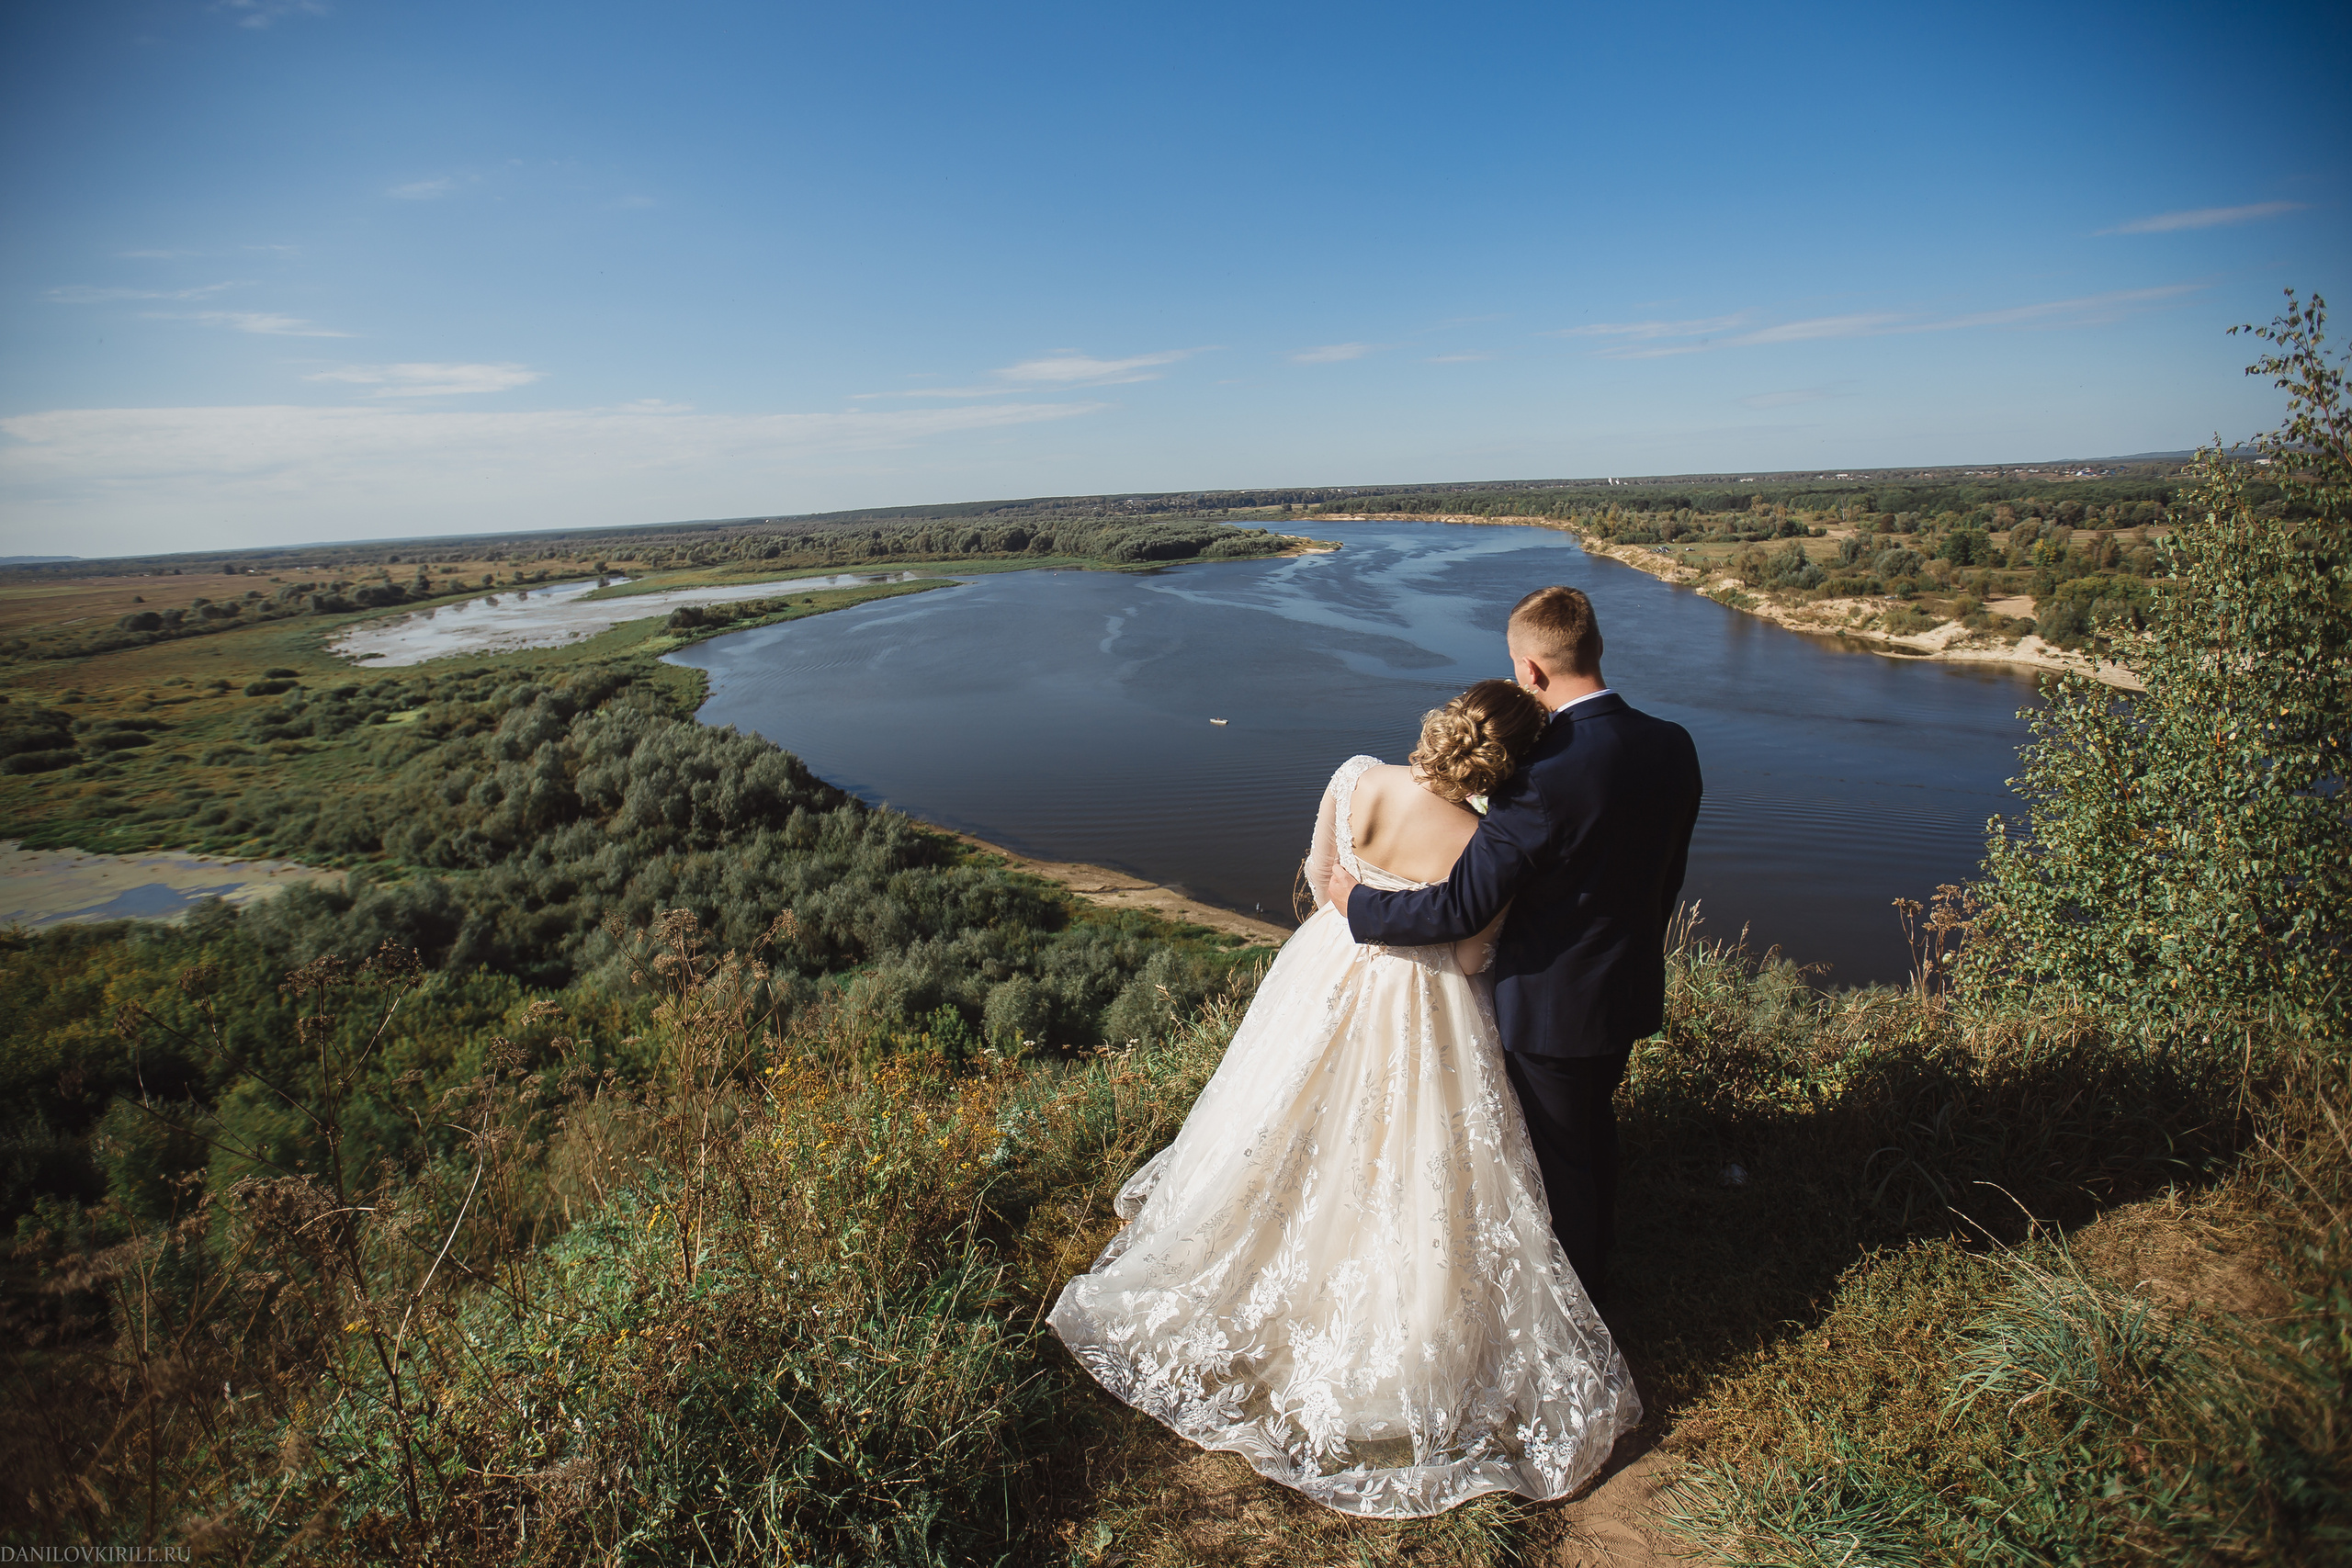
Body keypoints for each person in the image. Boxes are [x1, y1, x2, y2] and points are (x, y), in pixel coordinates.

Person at [1049, 679, 1641, 1519]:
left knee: (1287, 1115)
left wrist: (1352, 903)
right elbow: (1472, 957)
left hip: (1325, 969)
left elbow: (1320, 871)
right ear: (1509, 761)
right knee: (1407, 1151)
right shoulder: (1485, 838)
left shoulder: (1355, 775)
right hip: (1421, 1000)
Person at [1326, 585, 1702, 1303]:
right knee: (1593, 1134)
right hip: (1626, 986)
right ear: (1594, 648)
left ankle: (1582, 1314)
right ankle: (1599, 1264)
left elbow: (1462, 903)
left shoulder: (1538, 776)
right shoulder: (1672, 744)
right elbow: (1666, 874)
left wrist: (1358, 903)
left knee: (1558, 1163)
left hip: (1551, 1003)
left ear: (1531, 670)